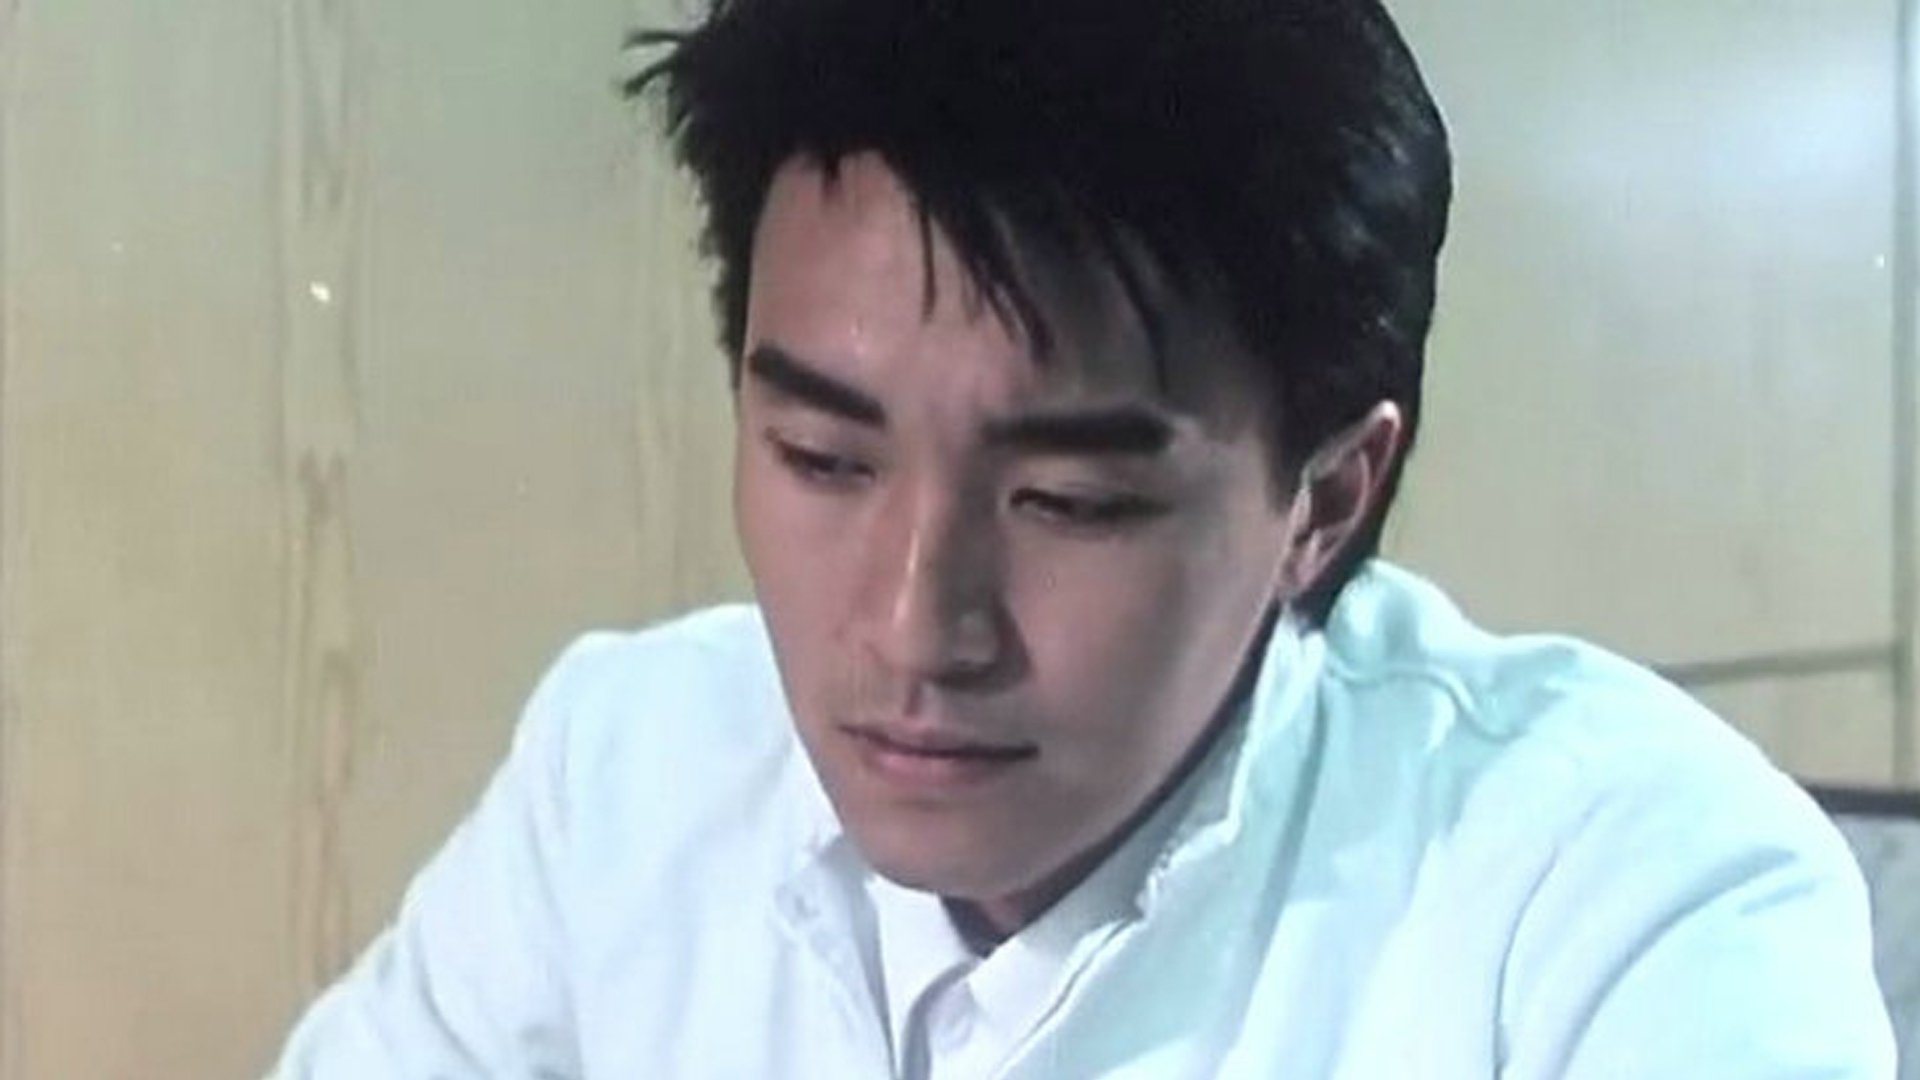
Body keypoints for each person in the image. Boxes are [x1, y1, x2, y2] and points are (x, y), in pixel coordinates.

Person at [269, 0, 1897, 1076]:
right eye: (825, 458)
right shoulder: (626, 770)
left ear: (1327, 497)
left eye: (1070, 500)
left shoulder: (1629, 889)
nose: (914, 626)